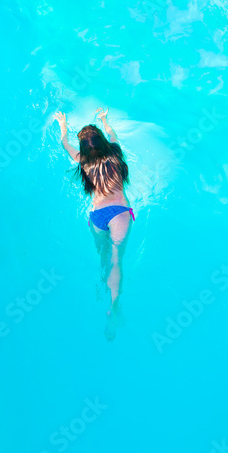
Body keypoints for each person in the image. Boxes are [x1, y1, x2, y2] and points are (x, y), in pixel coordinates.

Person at [54, 108, 134, 338]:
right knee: (117, 261)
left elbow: (64, 143)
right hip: (119, 213)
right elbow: (113, 135)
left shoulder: (82, 161)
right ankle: (114, 308)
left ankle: (101, 279)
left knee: (102, 254)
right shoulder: (116, 154)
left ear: (83, 149)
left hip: (97, 216)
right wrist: (104, 120)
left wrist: (63, 123)